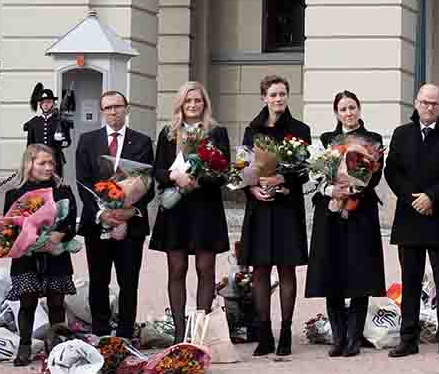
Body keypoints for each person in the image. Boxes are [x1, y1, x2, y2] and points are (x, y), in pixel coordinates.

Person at [383, 83, 439, 358]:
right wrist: (413, 200)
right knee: (410, 280)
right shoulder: (401, 134)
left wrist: (432, 197)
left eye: (434, 103)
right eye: (425, 102)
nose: (429, 107)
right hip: (410, 217)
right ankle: (408, 337)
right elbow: (392, 172)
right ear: (416, 103)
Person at [150, 80, 232, 344]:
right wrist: (174, 177)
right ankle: (178, 332)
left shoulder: (216, 132)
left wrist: (198, 180)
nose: (193, 105)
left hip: (205, 208)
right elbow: (157, 171)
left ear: (204, 104)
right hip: (176, 210)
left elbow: (223, 173)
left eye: (197, 101)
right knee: (177, 269)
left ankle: (200, 330)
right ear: (181, 104)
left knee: (205, 268)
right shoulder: (168, 133)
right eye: (188, 101)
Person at [306, 92, 386, 357]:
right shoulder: (326, 141)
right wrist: (332, 190)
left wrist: (353, 188)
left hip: (361, 213)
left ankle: (353, 337)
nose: (348, 113)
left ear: (359, 109)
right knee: (333, 273)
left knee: (360, 274)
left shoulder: (373, 141)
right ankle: (338, 337)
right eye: (343, 109)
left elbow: (373, 177)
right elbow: (317, 175)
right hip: (331, 214)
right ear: (336, 113)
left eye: (352, 108)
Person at [73, 90, 154, 339]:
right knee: (98, 281)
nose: (113, 111)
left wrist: (127, 213)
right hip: (97, 224)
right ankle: (101, 333)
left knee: (128, 282)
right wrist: (102, 214)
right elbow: (83, 182)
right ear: (102, 111)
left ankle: (126, 334)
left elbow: (147, 184)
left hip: (131, 225)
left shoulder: (141, 142)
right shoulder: (88, 140)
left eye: (117, 106)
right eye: (107, 108)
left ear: (126, 109)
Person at [240, 74, 311, 356]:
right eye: (273, 95)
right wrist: (253, 189)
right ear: (264, 98)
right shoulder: (252, 130)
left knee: (286, 268)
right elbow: (242, 167)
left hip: (286, 208)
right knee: (259, 270)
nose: (278, 99)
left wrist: (283, 179)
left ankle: (285, 332)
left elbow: (304, 171)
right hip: (259, 207)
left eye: (282, 94)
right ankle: (264, 332)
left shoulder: (300, 129)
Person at [2, 144, 78, 366]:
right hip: (26, 257)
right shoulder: (14, 194)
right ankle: (24, 345)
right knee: (27, 303)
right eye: (41, 163)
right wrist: (31, 240)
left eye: (51, 163)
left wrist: (56, 236)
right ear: (29, 164)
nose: (47, 167)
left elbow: (70, 222)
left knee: (56, 302)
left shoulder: (62, 191)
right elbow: (10, 227)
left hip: (56, 255)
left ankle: (56, 346)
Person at [21, 83, 73, 177]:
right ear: (40, 104)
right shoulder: (33, 123)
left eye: (48, 102)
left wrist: (62, 141)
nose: (45, 104)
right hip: (38, 162)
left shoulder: (61, 121)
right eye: (43, 102)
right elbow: (29, 145)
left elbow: (68, 142)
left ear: (53, 103)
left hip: (55, 161)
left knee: (55, 186)